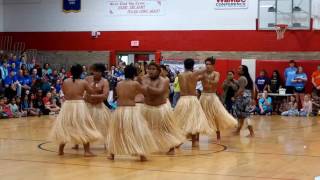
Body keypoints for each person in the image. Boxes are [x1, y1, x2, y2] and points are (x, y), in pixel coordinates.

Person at [107, 65, 158, 161]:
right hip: (131, 110)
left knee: (117, 132)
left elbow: (118, 95)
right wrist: (142, 82)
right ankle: (142, 155)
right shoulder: (135, 84)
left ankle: (111, 154)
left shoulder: (119, 84)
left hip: (119, 110)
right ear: (134, 74)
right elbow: (145, 93)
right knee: (137, 132)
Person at [49, 64, 102, 157]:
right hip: (79, 105)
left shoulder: (65, 81)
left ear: (71, 72)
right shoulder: (83, 82)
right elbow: (92, 92)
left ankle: (60, 150)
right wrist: (96, 86)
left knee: (65, 127)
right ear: (81, 72)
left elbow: (65, 93)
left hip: (67, 105)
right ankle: (86, 151)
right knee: (84, 127)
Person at [140, 63, 184, 155]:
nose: (151, 71)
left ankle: (172, 147)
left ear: (159, 71)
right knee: (145, 129)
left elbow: (160, 91)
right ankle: (144, 148)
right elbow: (141, 90)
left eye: (153, 69)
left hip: (161, 108)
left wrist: (147, 88)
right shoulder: (144, 79)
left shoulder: (164, 80)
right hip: (147, 108)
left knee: (165, 129)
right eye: (149, 69)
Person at [174, 58, 213, 147]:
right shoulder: (194, 74)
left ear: (184, 65)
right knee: (194, 120)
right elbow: (205, 69)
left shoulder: (180, 75)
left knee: (181, 120)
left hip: (182, 100)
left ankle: (179, 140)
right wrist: (207, 65)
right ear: (192, 66)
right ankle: (194, 141)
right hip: (192, 99)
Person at [199, 57, 237, 143]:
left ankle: (218, 135)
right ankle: (197, 136)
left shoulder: (216, 73)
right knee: (200, 115)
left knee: (216, 116)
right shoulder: (203, 73)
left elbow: (216, 82)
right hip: (203, 96)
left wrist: (206, 78)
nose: (207, 66)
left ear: (213, 65)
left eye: (209, 64)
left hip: (212, 97)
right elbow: (196, 79)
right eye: (206, 64)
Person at [82, 63, 111, 149]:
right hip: (87, 106)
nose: (96, 73)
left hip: (99, 106)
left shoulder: (104, 81)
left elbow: (105, 95)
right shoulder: (87, 79)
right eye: (95, 71)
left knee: (105, 126)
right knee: (84, 125)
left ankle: (107, 143)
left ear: (102, 72)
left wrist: (94, 96)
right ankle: (79, 142)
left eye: (98, 71)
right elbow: (81, 89)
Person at [233, 65, 255, 137]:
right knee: (241, 116)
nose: (237, 69)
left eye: (239, 68)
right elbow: (252, 90)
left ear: (243, 71)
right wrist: (252, 99)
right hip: (248, 98)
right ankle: (238, 131)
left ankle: (251, 132)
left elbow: (241, 89)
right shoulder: (248, 79)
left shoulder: (242, 78)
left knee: (244, 116)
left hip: (242, 98)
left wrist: (234, 96)